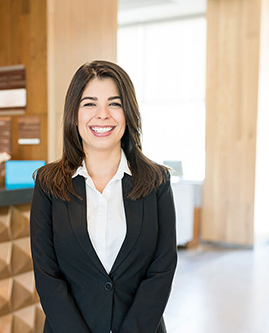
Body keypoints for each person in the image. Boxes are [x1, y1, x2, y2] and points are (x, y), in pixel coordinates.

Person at [30, 60, 177, 333]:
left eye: (115, 103)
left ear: (128, 112)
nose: (102, 115)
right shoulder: (48, 184)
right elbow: (48, 276)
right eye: (89, 104)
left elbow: (161, 271)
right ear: (74, 113)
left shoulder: (157, 182)